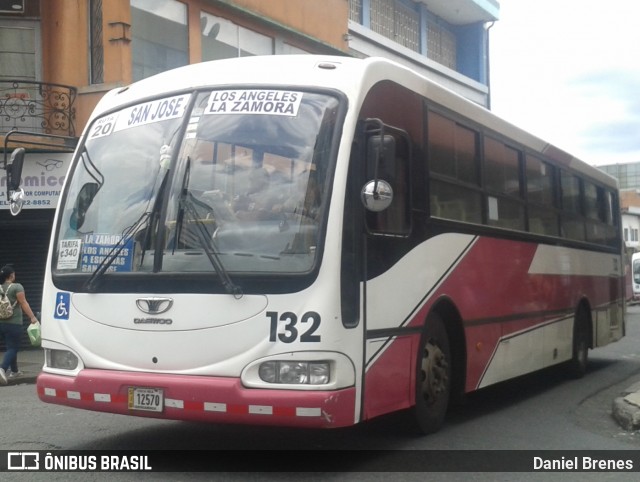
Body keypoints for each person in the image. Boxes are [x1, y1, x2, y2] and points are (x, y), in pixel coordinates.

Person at [0, 265, 39, 385]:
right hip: (14, 323)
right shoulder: (17, 287)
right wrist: (32, 317)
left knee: (11, 346)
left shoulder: (0, 288)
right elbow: (23, 302)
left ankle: (15, 371)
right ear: (11, 275)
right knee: (13, 347)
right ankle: (2, 369)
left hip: (2, 323)